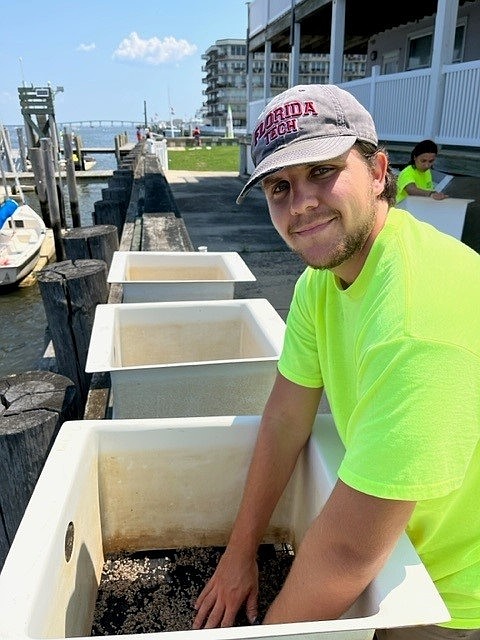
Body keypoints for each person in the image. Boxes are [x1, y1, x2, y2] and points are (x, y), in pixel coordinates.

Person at [192, 84, 480, 639]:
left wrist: (260, 635)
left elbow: (348, 551)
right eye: (280, 186)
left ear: (378, 172)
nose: (300, 204)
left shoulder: (417, 318)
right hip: (392, 546)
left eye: (322, 171)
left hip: (453, 596)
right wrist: (240, 551)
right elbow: (285, 419)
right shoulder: (318, 286)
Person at [395, 139, 449, 203]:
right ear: (415, 157)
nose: (427, 165)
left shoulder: (427, 171)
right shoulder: (407, 172)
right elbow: (411, 190)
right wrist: (431, 194)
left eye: (431, 161)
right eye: (423, 161)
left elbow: (428, 189)